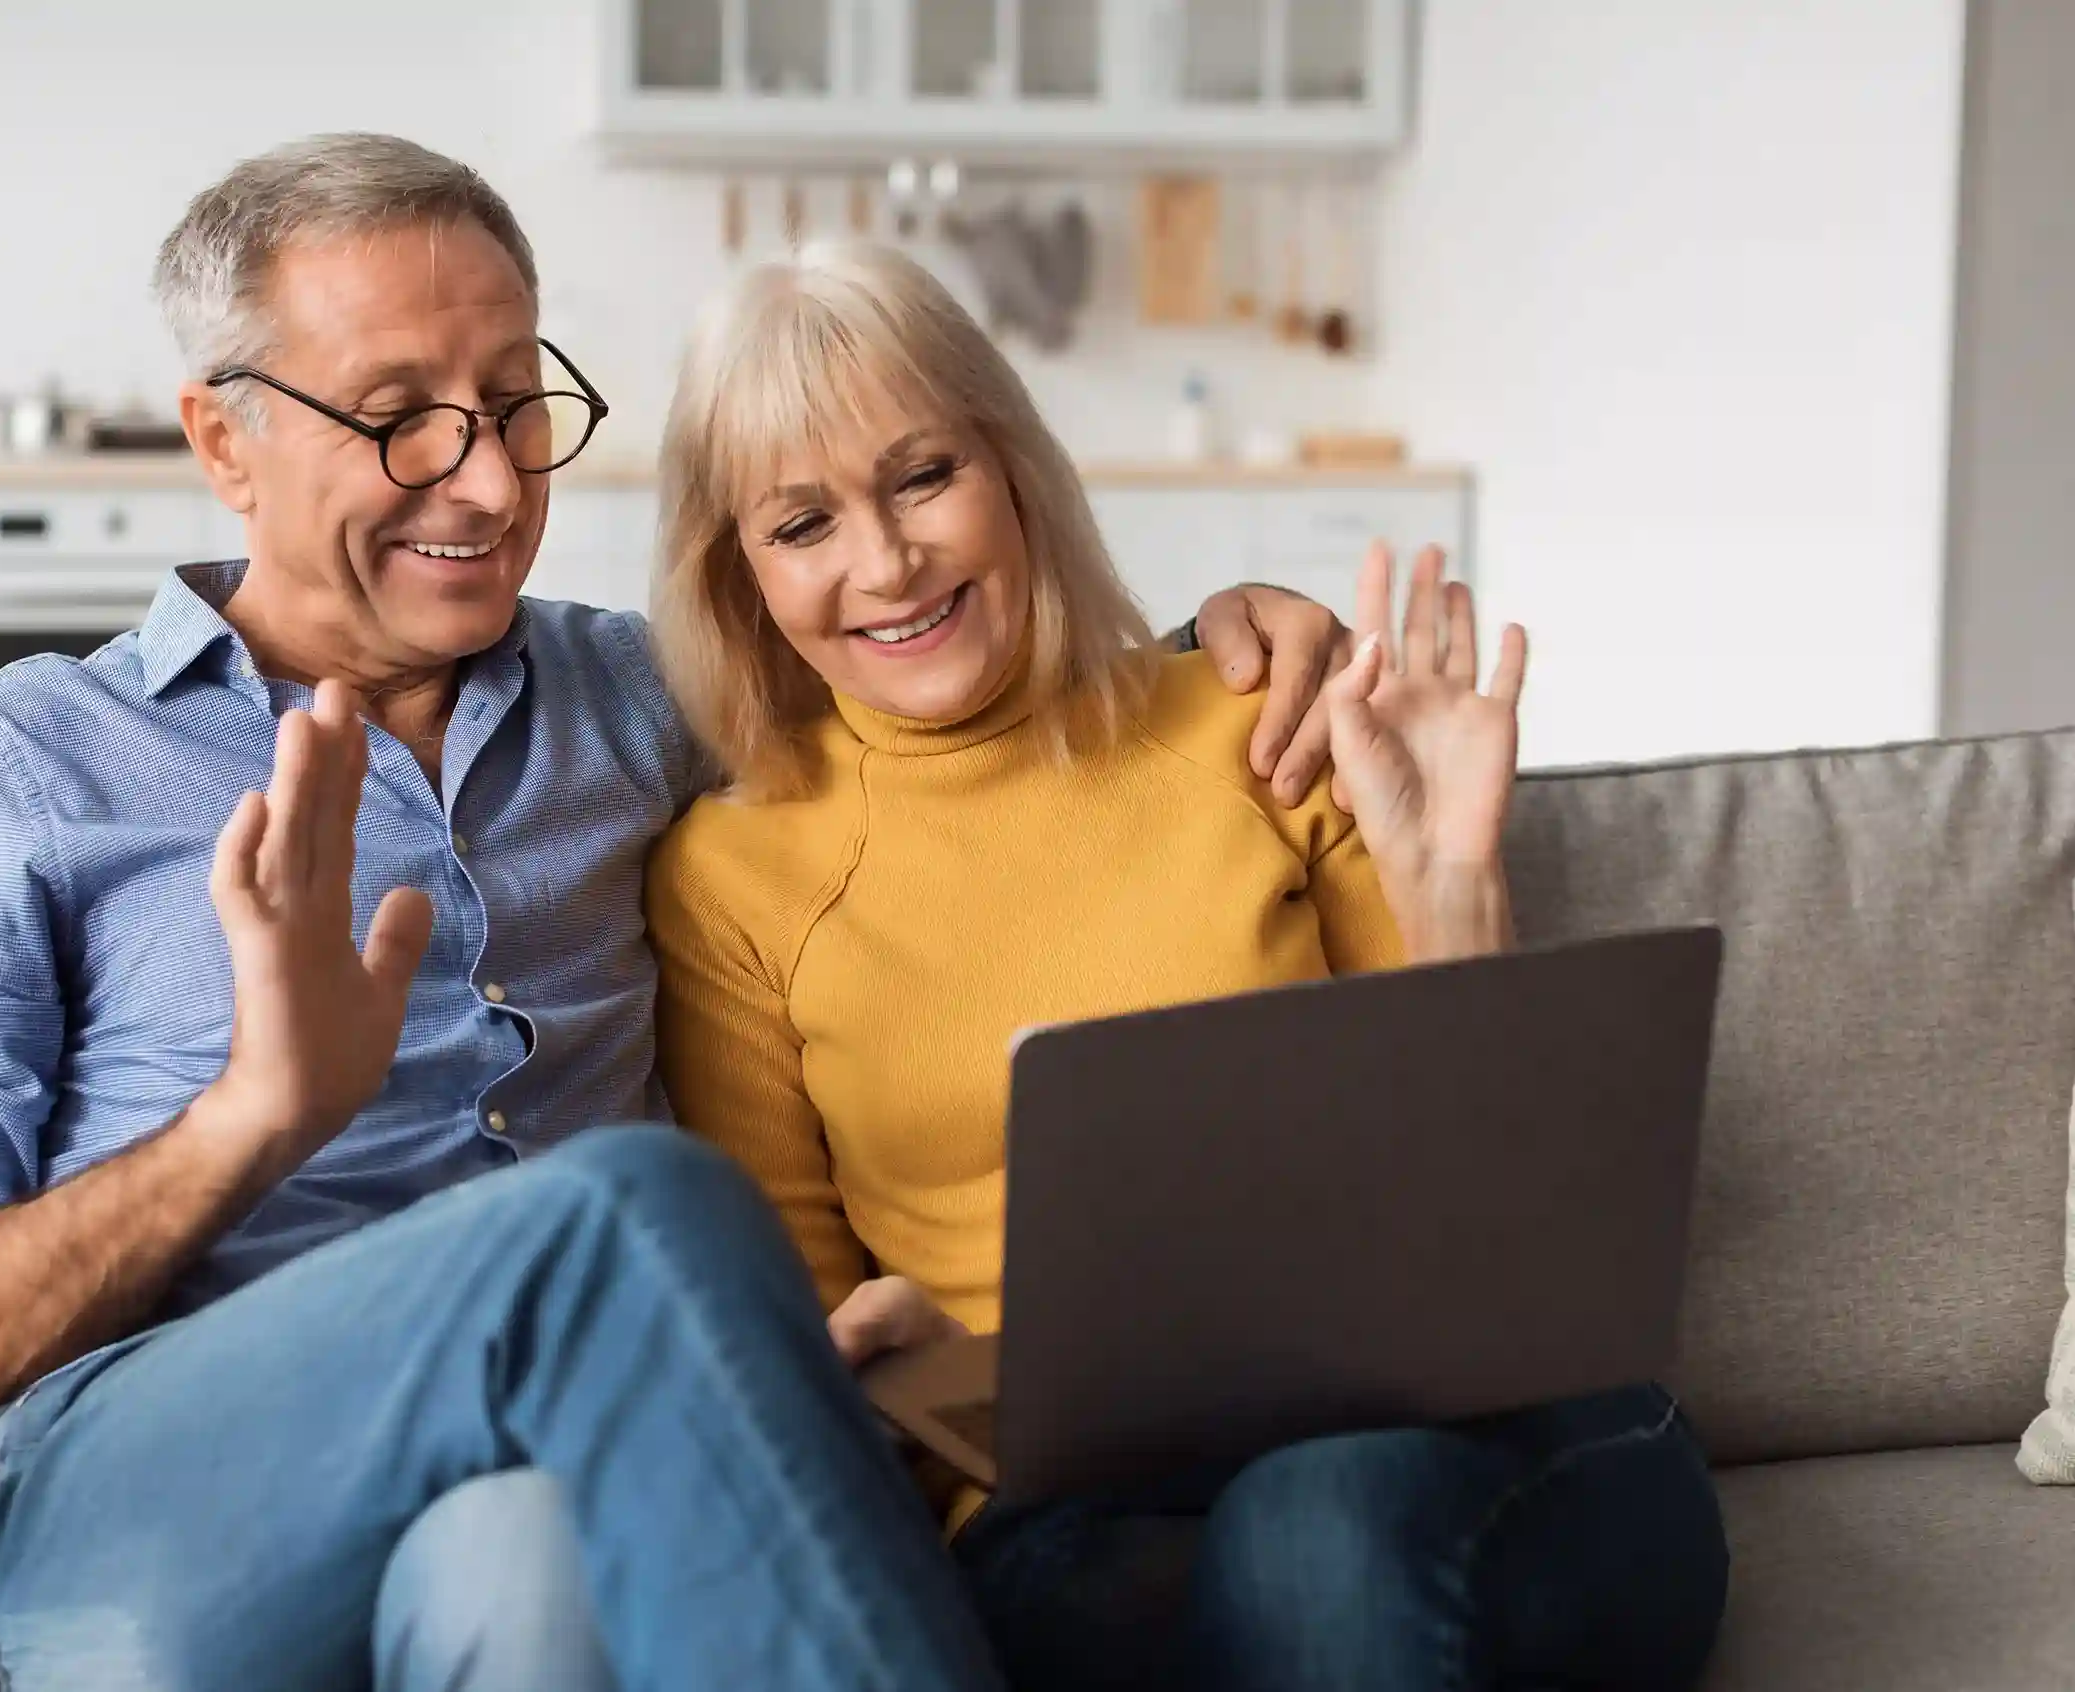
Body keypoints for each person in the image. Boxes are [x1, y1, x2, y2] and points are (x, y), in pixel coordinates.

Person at [0, 135, 1356, 1692]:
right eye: (399, 420)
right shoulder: (17, 767)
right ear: (224, 441)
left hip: (541, 1470)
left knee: (533, 1562)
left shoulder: (651, 704)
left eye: (516, 405)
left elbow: (940, 673)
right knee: (624, 1216)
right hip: (110, 1517)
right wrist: (245, 1123)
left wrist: (1221, 650)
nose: (485, 478)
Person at [644, 242, 1731, 1692]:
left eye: (923, 477)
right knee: (1300, 1551)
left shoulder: (1257, 722)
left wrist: (1455, 887)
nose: (887, 563)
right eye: (802, 523)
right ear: (740, 574)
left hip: (1481, 1439)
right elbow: (812, 1389)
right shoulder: (731, 881)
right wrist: (927, 1372)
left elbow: (1511, 1244)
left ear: (1009, 467)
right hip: (1081, 1507)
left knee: (1326, 1519)